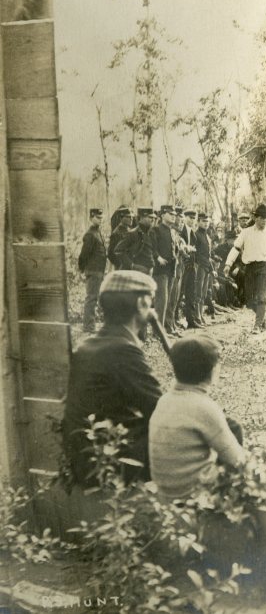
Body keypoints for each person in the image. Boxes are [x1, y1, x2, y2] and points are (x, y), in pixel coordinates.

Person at [61, 270, 164, 487]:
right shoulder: (122, 350)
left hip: (88, 457)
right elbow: (160, 410)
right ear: (141, 303)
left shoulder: (89, 346)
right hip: (109, 462)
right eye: (150, 300)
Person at [149, 335, 246, 499]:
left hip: (165, 493)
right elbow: (237, 461)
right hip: (194, 496)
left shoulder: (163, 401)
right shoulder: (205, 408)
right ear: (213, 371)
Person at [223, 204, 266, 333]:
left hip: (264, 267)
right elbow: (236, 248)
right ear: (255, 218)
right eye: (261, 218)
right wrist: (228, 264)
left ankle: (257, 325)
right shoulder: (246, 232)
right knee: (249, 300)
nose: (264, 221)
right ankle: (262, 319)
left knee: (261, 296)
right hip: (249, 267)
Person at [78, 207, 107, 332]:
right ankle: (88, 326)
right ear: (91, 218)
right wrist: (82, 268)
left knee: (94, 298)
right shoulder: (90, 235)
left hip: (98, 271)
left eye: (101, 218)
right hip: (93, 271)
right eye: (97, 218)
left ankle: (90, 324)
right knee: (91, 298)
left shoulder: (97, 232)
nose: (100, 220)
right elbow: (84, 255)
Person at [152, 205, 179, 334]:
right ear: (162, 215)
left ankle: (168, 328)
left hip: (171, 269)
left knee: (169, 300)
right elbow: (152, 247)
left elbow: (175, 249)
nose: (173, 216)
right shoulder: (156, 230)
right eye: (170, 213)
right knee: (161, 301)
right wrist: (158, 258)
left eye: (174, 214)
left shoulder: (172, 231)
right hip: (160, 269)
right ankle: (158, 331)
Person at [191, 213, 213, 327]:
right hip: (199, 266)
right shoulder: (196, 235)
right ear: (198, 221)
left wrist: (211, 267)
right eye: (203, 221)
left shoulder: (207, 236)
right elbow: (196, 254)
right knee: (198, 292)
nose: (206, 223)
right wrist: (206, 265)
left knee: (204, 292)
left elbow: (208, 254)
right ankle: (197, 316)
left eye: (207, 221)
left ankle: (201, 315)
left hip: (206, 267)